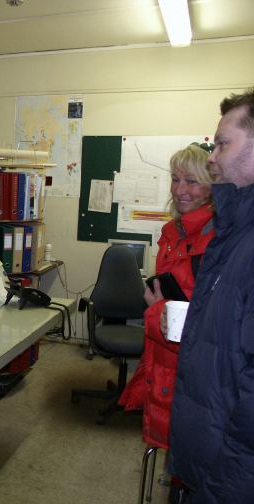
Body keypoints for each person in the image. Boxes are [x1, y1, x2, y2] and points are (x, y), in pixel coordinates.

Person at [169, 87, 254, 503]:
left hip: (227, 476)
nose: (213, 157)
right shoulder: (234, 231)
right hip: (206, 451)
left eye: (223, 143)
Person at [119, 145, 214, 452]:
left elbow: (188, 323)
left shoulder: (216, 238)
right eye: (175, 179)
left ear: (213, 185)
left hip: (187, 367)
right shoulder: (172, 232)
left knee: (186, 458)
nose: (180, 190)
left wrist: (154, 307)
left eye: (192, 181)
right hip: (163, 360)